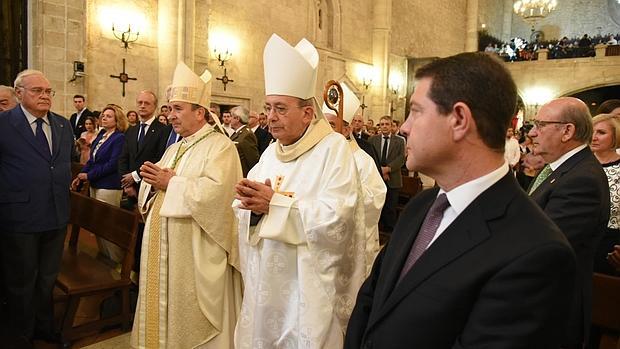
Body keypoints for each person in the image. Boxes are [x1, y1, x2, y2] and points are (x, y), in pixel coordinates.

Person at [345, 52, 577, 349]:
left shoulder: (536, 252)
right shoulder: (422, 205)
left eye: (416, 111)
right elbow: (372, 299)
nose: (405, 127)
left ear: (458, 120)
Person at [234, 33, 366, 348]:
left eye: (280, 108)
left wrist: (275, 205)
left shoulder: (333, 149)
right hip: (267, 280)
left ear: (308, 113)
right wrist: (246, 204)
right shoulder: (270, 152)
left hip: (306, 285)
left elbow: (339, 217)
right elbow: (247, 208)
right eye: (267, 107)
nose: (270, 117)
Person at [131, 62, 242, 349]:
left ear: (200, 112)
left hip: (195, 250)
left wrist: (172, 183)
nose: (170, 116)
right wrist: (148, 183)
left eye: (178, 109)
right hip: (165, 247)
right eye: (169, 109)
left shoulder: (221, 147)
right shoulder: (174, 147)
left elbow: (220, 195)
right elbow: (160, 184)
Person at [528, 97, 610, 348]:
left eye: (540, 125)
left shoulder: (581, 179)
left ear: (567, 131)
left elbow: (542, 247)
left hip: (552, 309)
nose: (532, 132)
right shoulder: (563, 170)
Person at [0, 69, 74, 347]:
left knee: (47, 279)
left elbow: (61, 163)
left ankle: (45, 327)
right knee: (21, 282)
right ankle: (21, 334)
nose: (45, 96)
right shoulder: (4, 123)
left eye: (48, 91)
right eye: (37, 91)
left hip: (56, 214)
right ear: (19, 94)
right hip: (19, 217)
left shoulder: (63, 125)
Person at [322, 81, 386, 275]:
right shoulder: (315, 157)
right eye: (322, 124)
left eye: (331, 125)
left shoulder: (363, 161)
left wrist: (344, 195)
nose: (325, 131)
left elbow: (375, 199)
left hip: (348, 245)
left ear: (347, 130)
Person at [72, 105, 128, 263]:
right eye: (103, 115)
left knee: (108, 227)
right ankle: (105, 260)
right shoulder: (102, 134)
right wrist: (81, 175)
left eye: (109, 116)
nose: (104, 117)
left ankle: (116, 263)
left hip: (109, 186)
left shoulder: (119, 138)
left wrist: (88, 175)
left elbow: (112, 164)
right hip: (96, 184)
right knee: (98, 225)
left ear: (117, 120)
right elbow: (91, 160)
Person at [118, 90, 168, 208]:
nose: (142, 105)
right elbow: (123, 158)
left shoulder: (163, 130)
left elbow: (159, 158)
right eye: (140, 102)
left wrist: (135, 177)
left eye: (147, 103)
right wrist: (127, 185)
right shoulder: (131, 130)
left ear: (155, 106)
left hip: (149, 186)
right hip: (128, 189)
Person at [590, 113, 620, 275]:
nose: (594, 137)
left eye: (601, 132)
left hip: (610, 242)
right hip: (579, 238)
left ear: (615, 137)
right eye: (592, 131)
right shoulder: (579, 164)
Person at [369, 115, 405, 233]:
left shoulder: (399, 141)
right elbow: (370, 157)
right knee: (377, 205)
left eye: (387, 124)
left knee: (390, 207)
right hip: (376, 177)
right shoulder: (372, 140)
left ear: (391, 126)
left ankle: (390, 233)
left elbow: (401, 158)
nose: (384, 126)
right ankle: (378, 231)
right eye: (382, 124)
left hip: (393, 178)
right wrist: (381, 170)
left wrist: (388, 169)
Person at [229, 105, 259, 176]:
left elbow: (253, 161)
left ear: (237, 118)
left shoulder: (247, 135)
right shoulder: (237, 133)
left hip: (242, 175)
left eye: (231, 117)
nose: (230, 120)